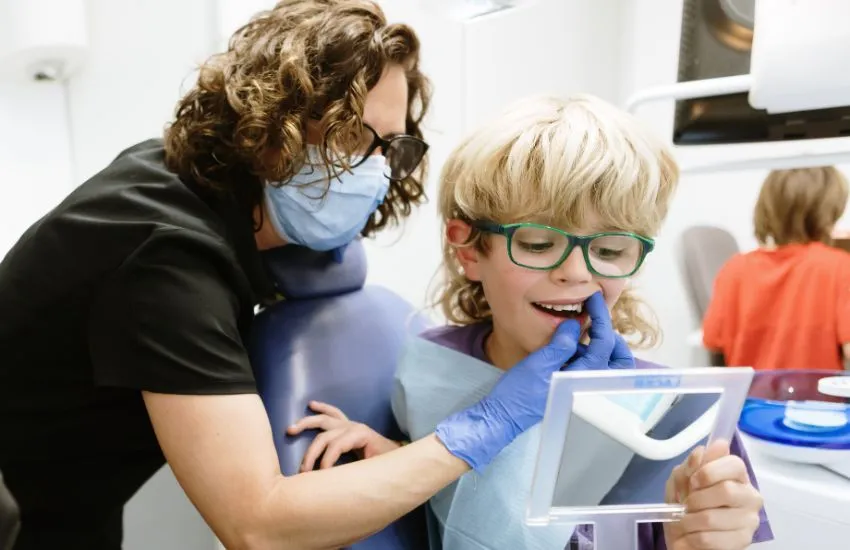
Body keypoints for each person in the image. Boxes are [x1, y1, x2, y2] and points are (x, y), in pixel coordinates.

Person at [0, 3, 631, 549]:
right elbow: (258, 526)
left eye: (389, 145)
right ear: (270, 122)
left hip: (68, 494)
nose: (377, 169)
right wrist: (486, 424)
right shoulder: (164, 255)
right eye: (353, 135)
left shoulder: (200, 182)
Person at [291, 95, 773, 549]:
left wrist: (707, 534)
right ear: (469, 250)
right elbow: (466, 496)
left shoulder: (686, 419)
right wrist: (392, 457)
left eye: (610, 250)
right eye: (539, 243)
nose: (578, 273)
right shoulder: (434, 365)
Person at [703, 167, 850, 371]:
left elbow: (713, 342)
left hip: (750, 400)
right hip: (819, 401)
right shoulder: (840, 267)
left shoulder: (734, 268)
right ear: (830, 211)